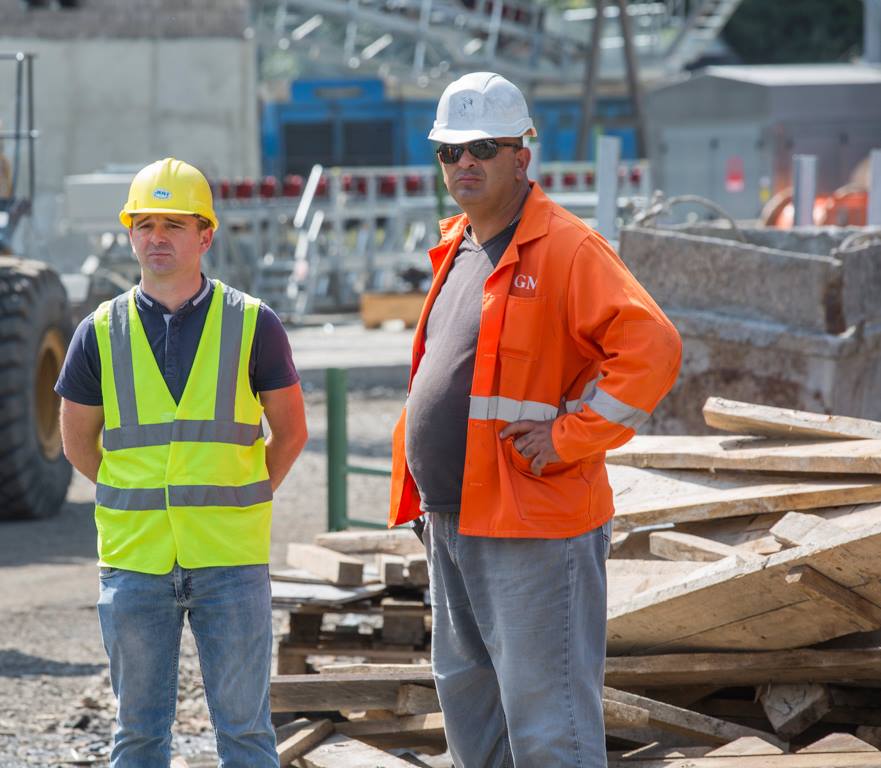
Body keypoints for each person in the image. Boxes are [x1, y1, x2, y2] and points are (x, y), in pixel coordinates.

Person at [388, 73, 682, 767]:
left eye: (482, 148)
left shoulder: (567, 248)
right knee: (474, 724)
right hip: (453, 519)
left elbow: (653, 348)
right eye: (450, 150)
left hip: (533, 525)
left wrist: (568, 437)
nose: (464, 162)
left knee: (550, 730)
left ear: (521, 156)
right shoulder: (459, 247)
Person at [56, 157, 308, 768]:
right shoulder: (99, 331)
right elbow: (78, 444)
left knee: (246, 735)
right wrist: (136, 495)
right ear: (130, 234)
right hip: (135, 562)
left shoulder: (253, 324)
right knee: (137, 736)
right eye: (144, 224)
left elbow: (292, 433)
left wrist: (243, 494)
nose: (157, 237)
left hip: (230, 560)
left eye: (174, 224)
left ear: (205, 236)